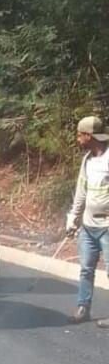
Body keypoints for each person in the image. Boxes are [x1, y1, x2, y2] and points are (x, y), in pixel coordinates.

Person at [65, 116, 109, 327]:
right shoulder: (87, 160)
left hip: (107, 227)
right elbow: (81, 192)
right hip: (88, 226)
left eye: (80, 135)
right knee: (86, 269)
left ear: (89, 136)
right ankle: (83, 307)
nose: (77, 139)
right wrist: (73, 218)